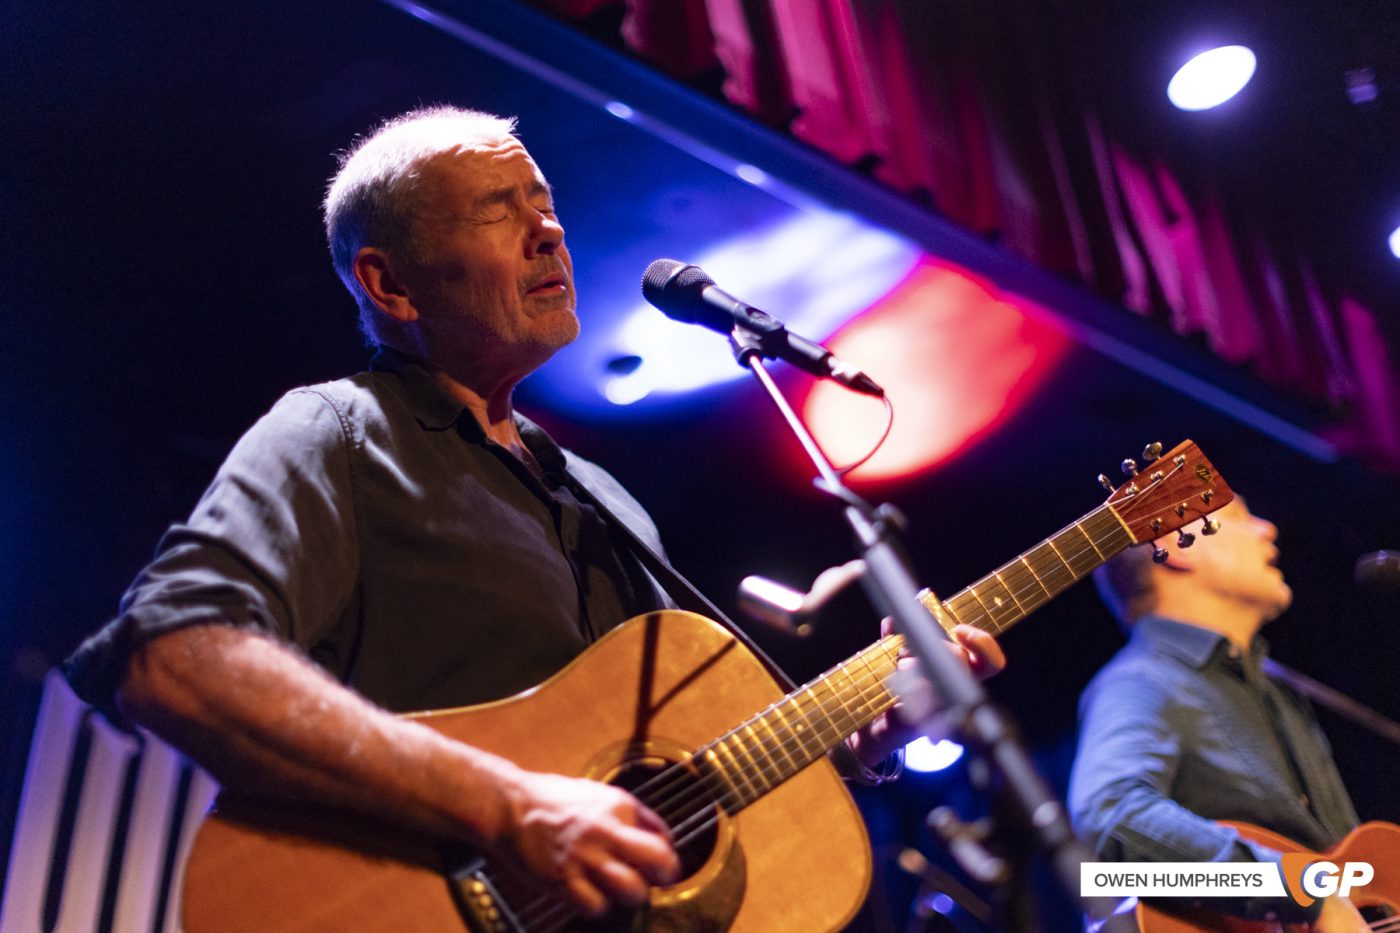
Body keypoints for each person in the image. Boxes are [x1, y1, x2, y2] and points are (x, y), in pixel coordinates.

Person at [63, 105, 1003, 920]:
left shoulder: (605, 498)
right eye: (497, 211)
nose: (549, 232)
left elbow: (679, 790)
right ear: (390, 285)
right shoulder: (340, 430)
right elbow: (174, 656)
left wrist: (868, 738)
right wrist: (513, 807)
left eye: (546, 205)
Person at [1068, 497, 1367, 931]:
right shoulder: (1139, 681)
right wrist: (1301, 893)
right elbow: (1110, 816)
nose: (1268, 528)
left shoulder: (1278, 692)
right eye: (1242, 517)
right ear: (1179, 544)